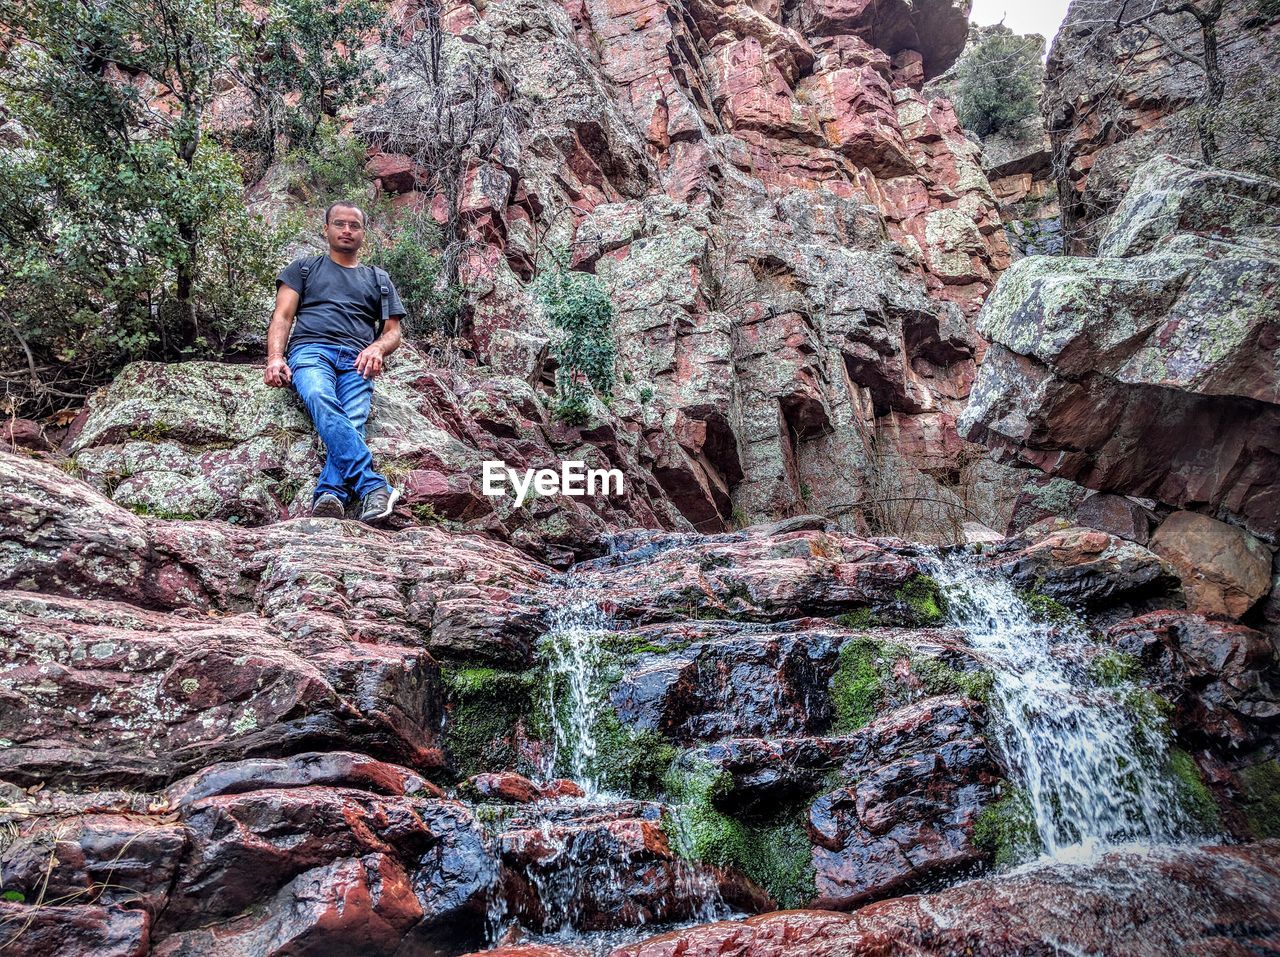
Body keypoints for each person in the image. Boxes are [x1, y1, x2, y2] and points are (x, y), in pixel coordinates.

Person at [263, 200, 406, 523]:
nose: (346, 230)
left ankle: (330, 493)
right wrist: (275, 357)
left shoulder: (378, 279)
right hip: (311, 351)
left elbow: (393, 332)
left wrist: (377, 349)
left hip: (358, 359)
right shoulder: (303, 269)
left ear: (363, 233)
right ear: (326, 229)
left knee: (352, 417)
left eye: (354, 226)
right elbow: (283, 316)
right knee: (319, 396)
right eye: (339, 224)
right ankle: (373, 486)